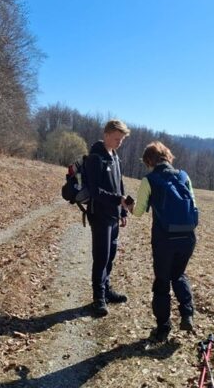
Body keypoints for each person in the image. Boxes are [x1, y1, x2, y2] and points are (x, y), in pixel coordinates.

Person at [127, 141, 196, 342]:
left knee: (162, 281)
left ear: (149, 161)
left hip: (164, 239)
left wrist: (128, 206)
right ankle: (187, 314)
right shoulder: (184, 176)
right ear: (168, 156)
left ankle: (163, 327)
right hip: (188, 237)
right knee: (179, 274)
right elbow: (193, 205)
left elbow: (138, 212)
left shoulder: (149, 180)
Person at [85, 120, 130, 316]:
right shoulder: (96, 157)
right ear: (106, 135)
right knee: (101, 257)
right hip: (99, 215)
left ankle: (107, 290)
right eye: (117, 139)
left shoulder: (115, 156)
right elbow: (95, 191)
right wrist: (117, 200)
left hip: (113, 215)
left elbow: (119, 184)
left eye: (122, 140)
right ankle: (98, 298)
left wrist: (123, 211)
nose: (120, 143)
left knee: (110, 255)